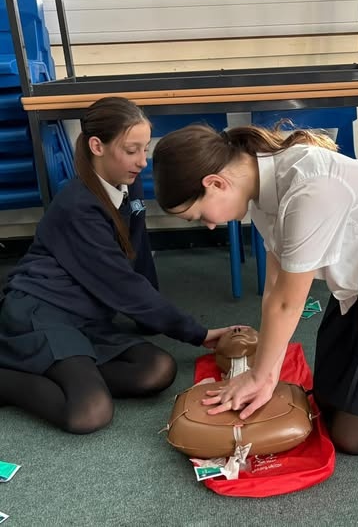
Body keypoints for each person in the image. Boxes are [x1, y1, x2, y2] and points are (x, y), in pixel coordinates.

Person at [152, 122, 358, 455]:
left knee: (349, 437)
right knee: (325, 402)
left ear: (215, 183)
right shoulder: (260, 189)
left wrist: (258, 378)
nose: (209, 225)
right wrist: (264, 374)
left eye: (199, 215)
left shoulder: (310, 188)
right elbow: (275, 288)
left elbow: (288, 304)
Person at [0, 97, 232, 434]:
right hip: (43, 310)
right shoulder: (78, 207)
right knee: (89, 412)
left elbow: (137, 252)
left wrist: (148, 321)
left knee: (157, 369)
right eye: (131, 150)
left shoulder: (128, 181)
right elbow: (123, 284)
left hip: (86, 316)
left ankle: (61, 369)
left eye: (145, 149)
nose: (142, 161)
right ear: (97, 146)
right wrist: (199, 333)